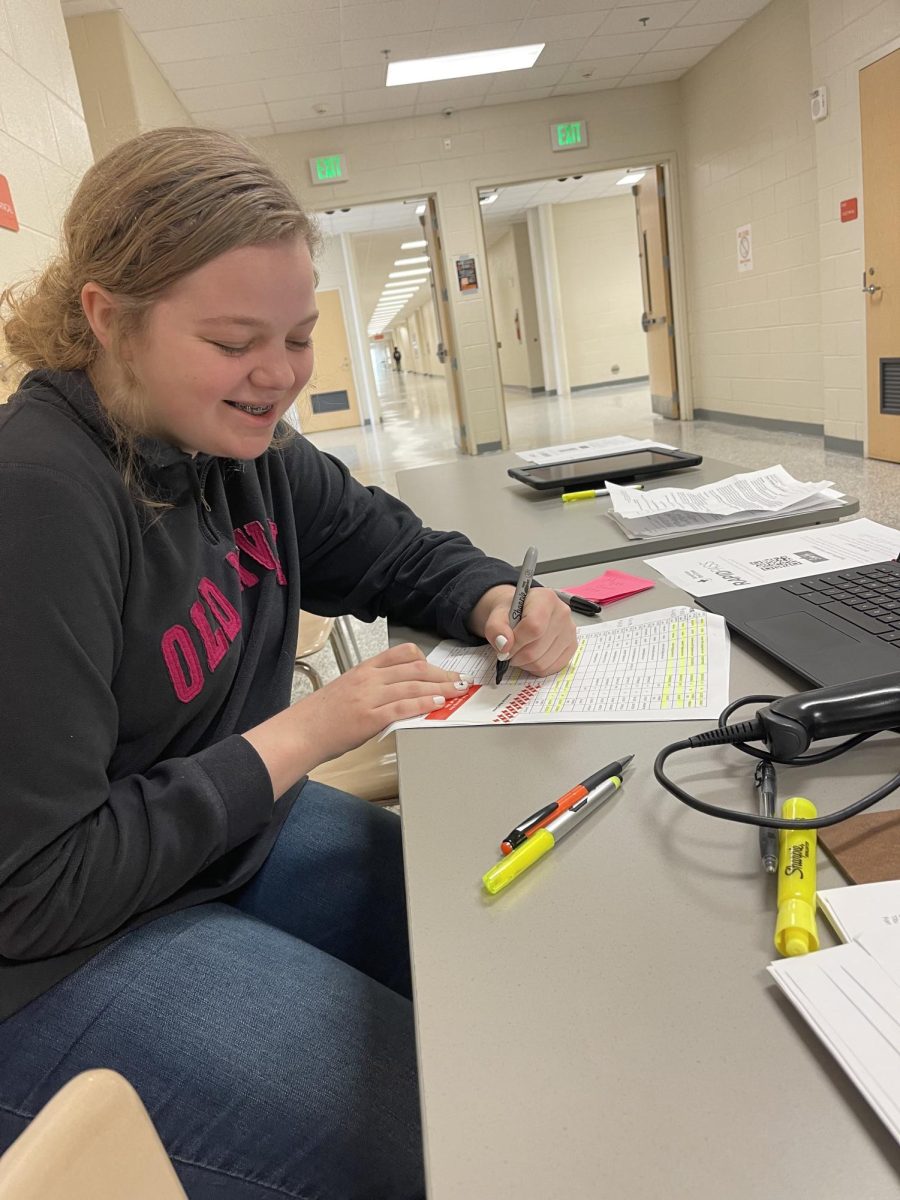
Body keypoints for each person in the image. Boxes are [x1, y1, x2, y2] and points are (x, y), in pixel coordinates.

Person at [0, 127, 576, 1200]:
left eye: (300, 335)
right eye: (232, 342)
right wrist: (305, 732)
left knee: (493, 954)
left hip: (215, 842)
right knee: (436, 1123)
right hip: (51, 955)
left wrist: (503, 594)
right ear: (106, 317)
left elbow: (393, 550)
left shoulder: (240, 445)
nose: (278, 376)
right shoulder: (37, 497)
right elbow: (36, 888)